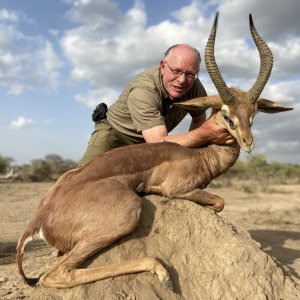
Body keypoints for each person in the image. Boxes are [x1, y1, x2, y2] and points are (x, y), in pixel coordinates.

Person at [79, 44, 234, 166]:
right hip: (117, 134)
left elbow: (199, 116)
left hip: (149, 143)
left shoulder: (194, 85)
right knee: (82, 183)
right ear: (162, 65)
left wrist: (192, 154)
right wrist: (204, 134)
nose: (182, 80)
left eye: (190, 74)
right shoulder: (143, 90)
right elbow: (158, 143)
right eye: (176, 71)